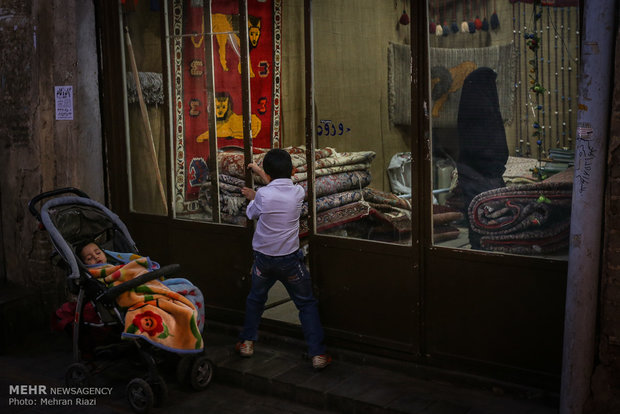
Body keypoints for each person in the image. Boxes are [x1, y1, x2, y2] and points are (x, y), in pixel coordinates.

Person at [238, 148, 331, 370]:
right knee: (306, 304)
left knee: (255, 300)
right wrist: (261, 173)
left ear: (268, 174)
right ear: (291, 170)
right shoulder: (298, 192)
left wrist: (253, 196)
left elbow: (252, 213)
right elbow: (277, 185)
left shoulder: (263, 194)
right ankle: (317, 354)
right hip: (289, 262)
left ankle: (247, 343)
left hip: (263, 261)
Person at [455, 67, 508, 249]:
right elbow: (480, 144)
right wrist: (493, 162)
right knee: (484, 217)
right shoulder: (479, 106)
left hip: (480, 168)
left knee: (487, 217)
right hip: (478, 169)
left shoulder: (479, 102)